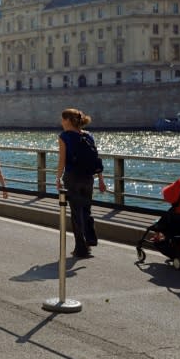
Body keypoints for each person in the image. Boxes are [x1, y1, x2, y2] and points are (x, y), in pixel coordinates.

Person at [56, 108, 107, 258]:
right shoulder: (89, 136)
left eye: (62, 119)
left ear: (68, 120)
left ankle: (81, 248)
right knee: (86, 210)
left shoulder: (64, 136)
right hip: (88, 178)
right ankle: (90, 239)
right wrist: (101, 180)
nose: (61, 122)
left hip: (72, 178)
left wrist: (58, 178)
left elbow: (62, 161)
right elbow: (95, 159)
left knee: (76, 213)